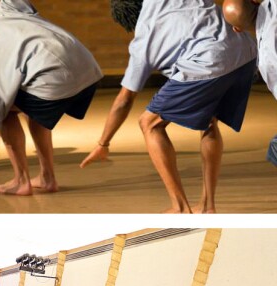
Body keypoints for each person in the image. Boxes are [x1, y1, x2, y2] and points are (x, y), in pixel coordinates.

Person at [80, 0, 257, 213]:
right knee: (209, 121)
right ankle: (207, 207)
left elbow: (124, 100)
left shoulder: (142, 40)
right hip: (246, 51)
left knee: (149, 123)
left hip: (207, 62)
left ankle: (180, 207)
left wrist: (103, 143)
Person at [0, 0, 102, 197]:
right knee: (30, 106)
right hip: (88, 68)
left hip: (56, 81)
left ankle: (21, 181)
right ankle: (47, 177)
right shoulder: (5, 10)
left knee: (5, 113)